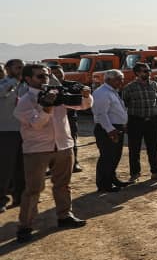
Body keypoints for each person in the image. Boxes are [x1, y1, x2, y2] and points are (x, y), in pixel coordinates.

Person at [13, 64, 91, 243]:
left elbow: (82, 106)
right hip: (37, 150)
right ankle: (25, 226)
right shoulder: (24, 100)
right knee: (33, 190)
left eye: (46, 75)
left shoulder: (58, 93)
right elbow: (37, 123)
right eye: (40, 76)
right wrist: (46, 106)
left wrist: (85, 95)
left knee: (63, 185)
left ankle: (64, 216)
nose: (45, 79)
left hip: (63, 146)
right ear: (28, 79)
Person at [121, 63, 157, 182]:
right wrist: (124, 122)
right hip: (135, 122)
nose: (148, 73)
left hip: (152, 122)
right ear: (137, 73)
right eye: (145, 71)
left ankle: (156, 172)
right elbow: (123, 106)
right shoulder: (129, 88)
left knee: (153, 148)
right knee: (134, 149)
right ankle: (135, 174)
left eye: (149, 70)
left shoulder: (154, 85)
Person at [91, 70, 131, 192]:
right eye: (118, 79)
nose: (121, 82)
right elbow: (101, 114)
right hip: (107, 129)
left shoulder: (112, 91)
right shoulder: (102, 93)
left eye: (122, 79)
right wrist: (110, 130)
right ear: (108, 80)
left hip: (115, 128)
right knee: (107, 157)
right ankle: (104, 185)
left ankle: (111, 179)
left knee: (115, 156)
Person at [0, 59, 26, 212]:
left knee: (21, 166)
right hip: (5, 132)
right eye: (18, 68)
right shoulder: (5, 84)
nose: (21, 70)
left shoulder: (25, 86)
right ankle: (1, 199)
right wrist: (13, 81)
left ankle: (20, 196)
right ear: (8, 70)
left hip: (22, 131)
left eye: (23, 68)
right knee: (4, 167)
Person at [49, 65, 83, 174]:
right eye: (54, 74)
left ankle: (74, 163)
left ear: (64, 73)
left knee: (72, 140)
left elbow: (80, 89)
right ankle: (53, 165)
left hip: (69, 119)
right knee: (53, 143)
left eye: (59, 72)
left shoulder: (72, 84)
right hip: (52, 120)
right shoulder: (47, 87)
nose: (57, 75)